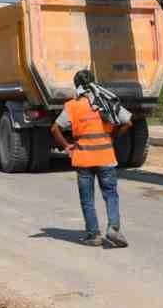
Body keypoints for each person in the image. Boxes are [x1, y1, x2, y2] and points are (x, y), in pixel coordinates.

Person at [50, 68, 128, 248]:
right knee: (110, 195)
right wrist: (113, 137)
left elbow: (55, 128)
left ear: (76, 85)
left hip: (83, 159)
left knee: (87, 199)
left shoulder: (72, 106)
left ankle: (93, 235)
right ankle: (113, 229)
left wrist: (66, 146)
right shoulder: (105, 101)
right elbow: (128, 121)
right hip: (106, 157)